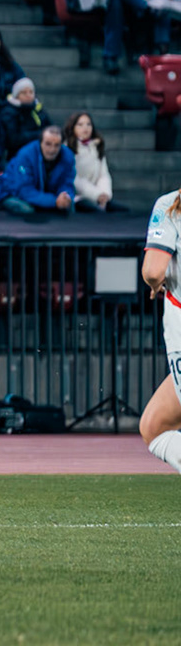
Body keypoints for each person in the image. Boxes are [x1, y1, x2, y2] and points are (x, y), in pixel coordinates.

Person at [138, 184, 181, 473]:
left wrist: (154, 284)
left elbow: (154, 270)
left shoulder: (171, 204)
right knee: (154, 424)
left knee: (155, 430)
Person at [0, 123, 75, 218]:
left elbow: (67, 183)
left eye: (56, 145)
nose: (52, 149)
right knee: (27, 210)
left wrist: (65, 196)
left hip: (43, 194)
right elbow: (24, 190)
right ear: (40, 142)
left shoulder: (67, 156)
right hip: (12, 193)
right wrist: (54, 201)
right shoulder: (26, 155)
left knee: (68, 205)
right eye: (48, 144)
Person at [68, 112, 115, 211]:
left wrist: (104, 194)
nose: (85, 128)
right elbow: (74, 178)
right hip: (78, 196)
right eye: (80, 125)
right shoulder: (68, 148)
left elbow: (103, 175)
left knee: (122, 211)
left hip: (100, 197)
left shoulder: (97, 146)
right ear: (73, 127)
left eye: (88, 124)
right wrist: (96, 194)